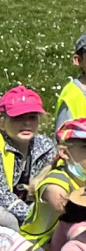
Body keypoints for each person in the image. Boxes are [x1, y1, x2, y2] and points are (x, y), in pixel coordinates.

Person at [0, 87, 56, 226]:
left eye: (32, 117)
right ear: (2, 121)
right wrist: (34, 220)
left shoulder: (45, 146)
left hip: (30, 209)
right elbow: (3, 196)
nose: (26, 123)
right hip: (7, 210)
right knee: (9, 220)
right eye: (18, 117)